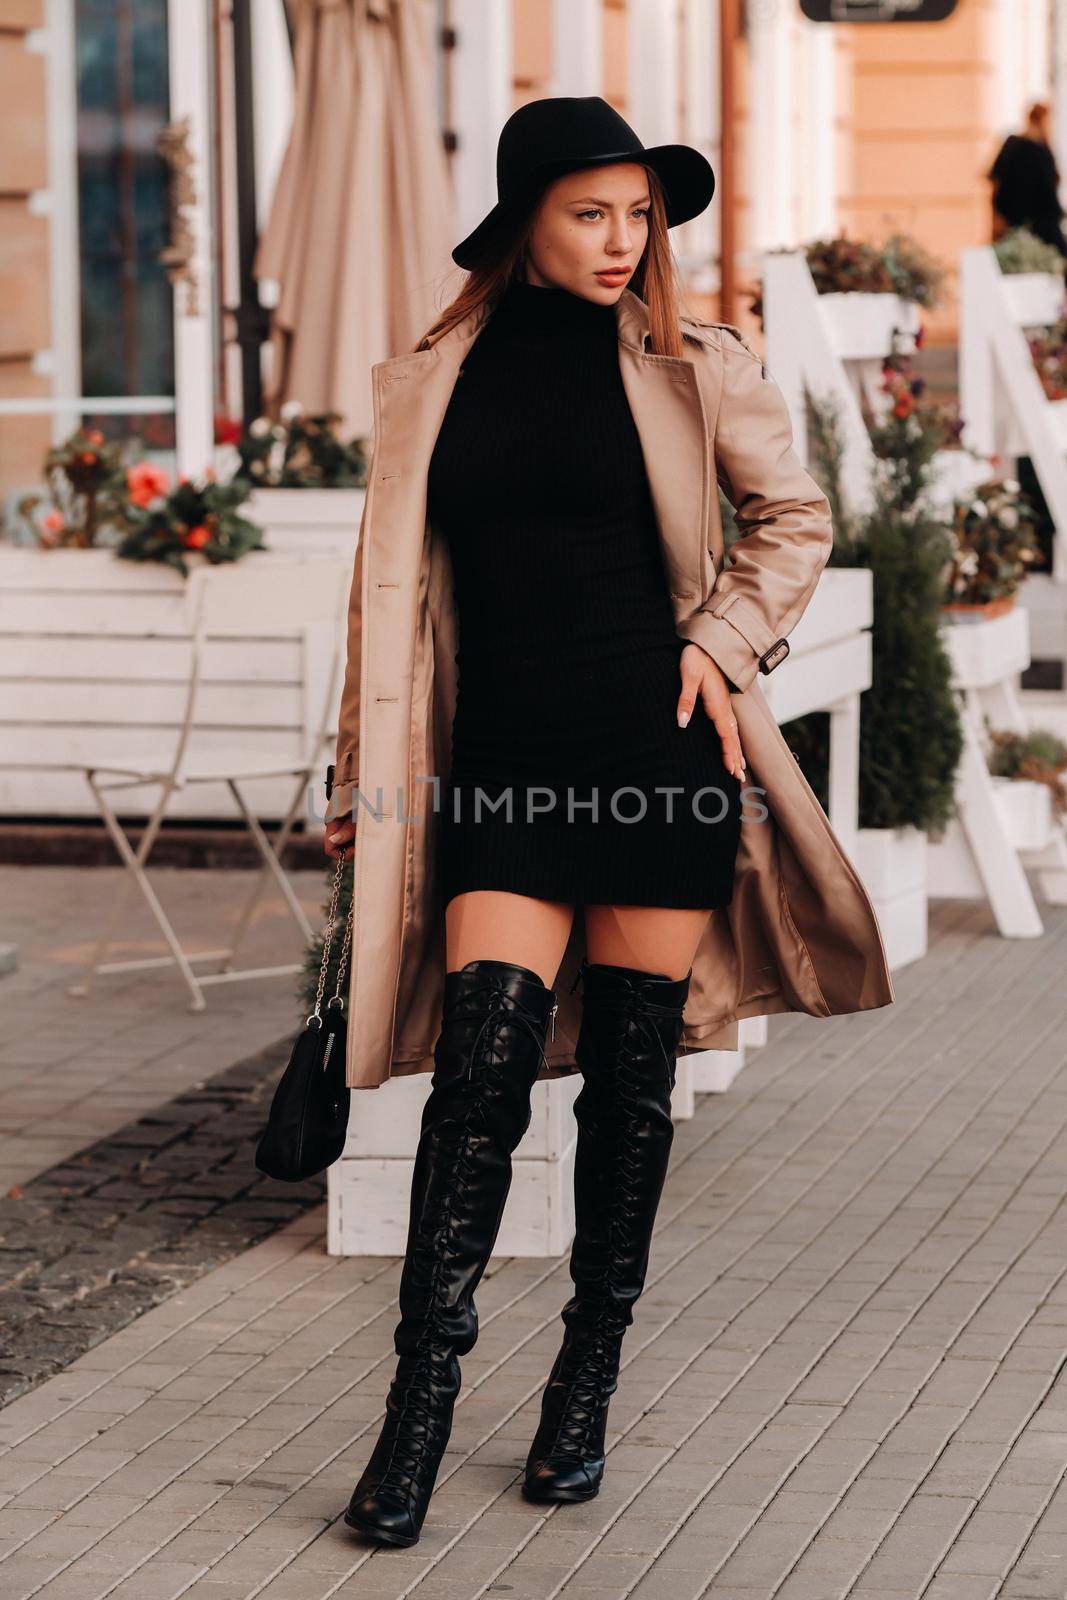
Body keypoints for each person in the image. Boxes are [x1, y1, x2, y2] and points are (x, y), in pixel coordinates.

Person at [323, 95, 854, 1548]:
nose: (624, 242)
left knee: (626, 1095)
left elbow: (790, 518)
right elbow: (386, 602)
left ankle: (581, 1385)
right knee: (475, 1085)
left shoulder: (695, 362)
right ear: (521, 223)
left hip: (653, 756)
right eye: (590, 213)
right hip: (499, 767)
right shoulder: (436, 377)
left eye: (640, 215)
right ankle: (414, 1415)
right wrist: (351, 776)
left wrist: (724, 641)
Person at [987, 100, 1067, 259]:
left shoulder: (1013, 146)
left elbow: (994, 180)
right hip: (1036, 226)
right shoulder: (1038, 151)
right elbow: (1048, 191)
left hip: (1014, 224)